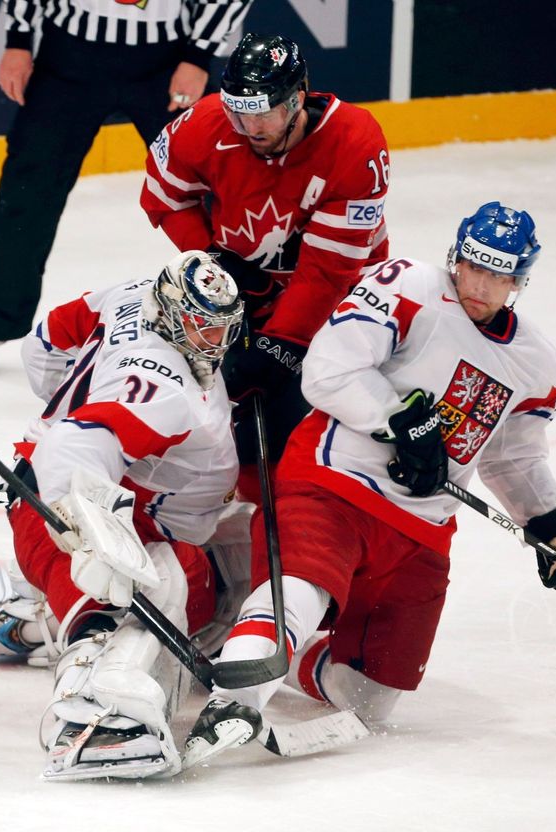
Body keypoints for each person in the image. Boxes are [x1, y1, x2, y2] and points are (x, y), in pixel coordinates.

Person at [177, 202, 556, 768]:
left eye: (500, 276)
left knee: (371, 700)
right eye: (474, 266)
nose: (481, 285)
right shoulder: (407, 284)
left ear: (520, 280)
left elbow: (512, 454)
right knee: (303, 591)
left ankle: (247, 630)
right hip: (333, 480)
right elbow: (328, 370)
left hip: (421, 530)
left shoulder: (538, 361)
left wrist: (551, 522)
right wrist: (402, 419)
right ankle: (232, 700)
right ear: (456, 257)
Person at [0, 250, 248, 780]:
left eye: (221, 330)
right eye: (200, 327)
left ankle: (29, 618)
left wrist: (63, 405)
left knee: (194, 577)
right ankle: (89, 718)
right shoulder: (162, 385)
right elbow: (77, 445)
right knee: (142, 589)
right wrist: (90, 531)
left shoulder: (131, 294)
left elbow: (45, 343)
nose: (213, 344)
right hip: (55, 501)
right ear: (169, 311)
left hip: (74, 488)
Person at [141, 32, 391, 498]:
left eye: (264, 113)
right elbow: (163, 196)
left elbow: (328, 272)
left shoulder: (354, 142)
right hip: (245, 295)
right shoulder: (208, 123)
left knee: (297, 428)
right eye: (238, 111)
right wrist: (217, 265)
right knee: (212, 420)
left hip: (341, 302)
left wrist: (280, 345)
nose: (250, 126)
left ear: (296, 100)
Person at [0, 0, 253, 372]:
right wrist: (19, 39)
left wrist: (198, 55)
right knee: (27, 191)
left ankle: (242, 319)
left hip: (166, 60)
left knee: (209, 191)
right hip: (68, 57)